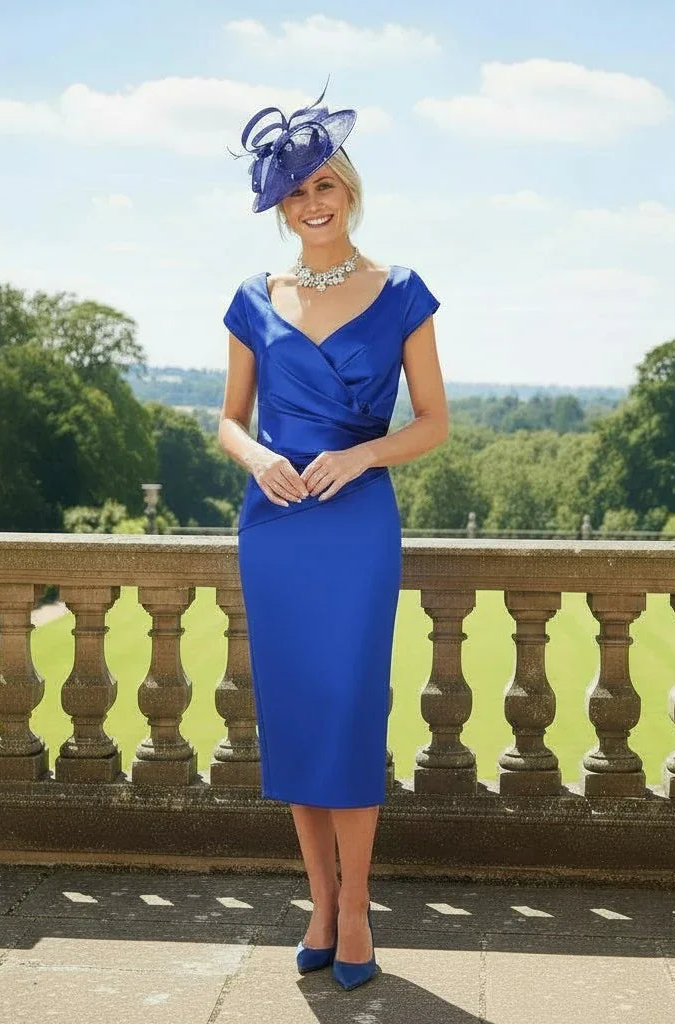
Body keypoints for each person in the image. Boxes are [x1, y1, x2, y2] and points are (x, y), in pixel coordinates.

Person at [218, 79, 448, 991]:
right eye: (295, 192)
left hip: (356, 526)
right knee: (298, 716)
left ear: (350, 191)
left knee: (350, 713)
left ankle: (357, 909)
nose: (312, 204)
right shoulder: (250, 296)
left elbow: (433, 422)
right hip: (275, 527)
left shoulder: (402, 292)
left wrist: (360, 461)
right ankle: (318, 901)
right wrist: (255, 460)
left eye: (325, 186)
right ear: (279, 207)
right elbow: (229, 421)